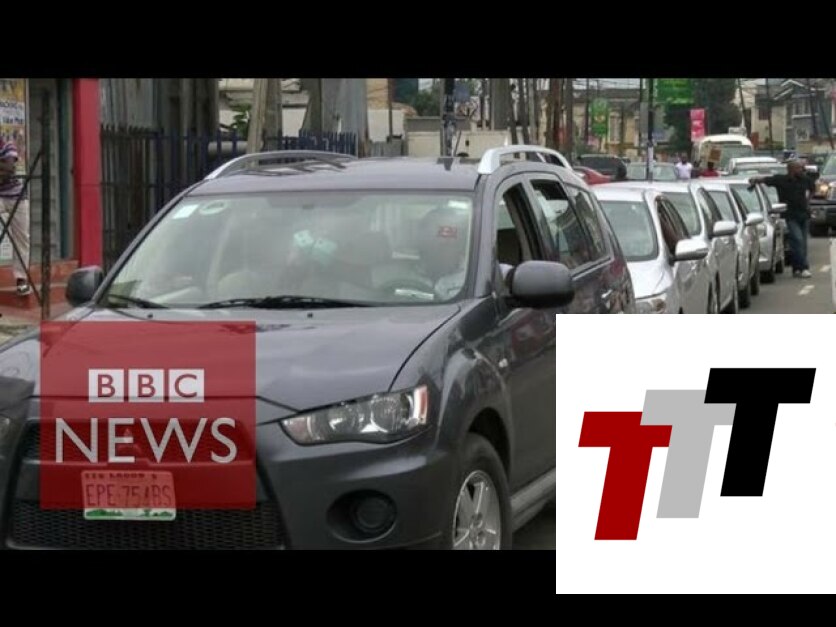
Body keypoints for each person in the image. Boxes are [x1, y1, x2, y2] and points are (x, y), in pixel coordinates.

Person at [750, 159, 814, 278]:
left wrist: (808, 202)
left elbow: (812, 189)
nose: (801, 170)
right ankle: (804, 267)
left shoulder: (805, 179)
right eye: (798, 168)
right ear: (791, 169)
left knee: (801, 243)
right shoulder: (781, 180)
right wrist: (755, 180)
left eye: (801, 168)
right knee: (798, 239)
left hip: (804, 215)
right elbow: (766, 180)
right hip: (790, 215)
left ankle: (797, 268)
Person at [0, 138, 30, 295]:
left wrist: (5, 168)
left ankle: (21, 278)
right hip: (1, 197)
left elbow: (9, 170)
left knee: (21, 238)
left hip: (17, 197)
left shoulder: (8, 146)